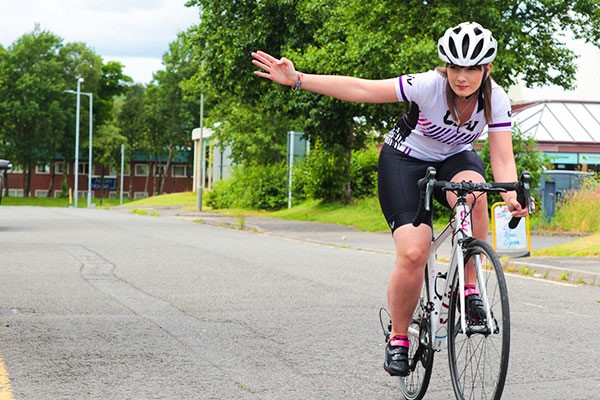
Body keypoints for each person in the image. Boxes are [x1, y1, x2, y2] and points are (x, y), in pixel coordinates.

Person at [252, 22, 530, 377]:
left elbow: (502, 158)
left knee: (475, 194)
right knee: (414, 251)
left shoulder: (496, 99)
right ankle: (399, 337)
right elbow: (362, 89)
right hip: (406, 161)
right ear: (445, 66)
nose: (462, 77)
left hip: (455, 158)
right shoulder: (427, 86)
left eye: (472, 68)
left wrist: (509, 194)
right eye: (455, 67)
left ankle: (471, 289)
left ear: (486, 69)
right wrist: (298, 79)